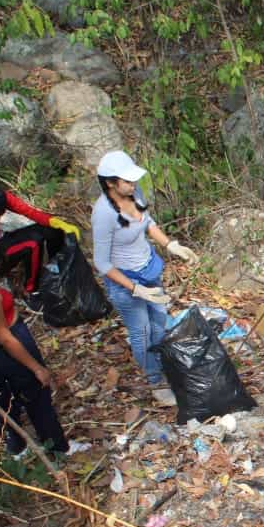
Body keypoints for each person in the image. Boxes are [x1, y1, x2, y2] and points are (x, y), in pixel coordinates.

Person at [0, 238, 88, 459]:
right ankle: (58, 447)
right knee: (37, 395)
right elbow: (5, 338)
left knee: (0, 394)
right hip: (6, 341)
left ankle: (16, 445)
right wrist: (37, 368)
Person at [90, 150, 200, 406]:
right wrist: (135, 289)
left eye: (132, 181)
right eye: (126, 181)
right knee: (141, 331)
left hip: (148, 268)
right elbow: (102, 263)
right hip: (124, 281)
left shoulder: (134, 194)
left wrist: (171, 244)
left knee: (160, 322)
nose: (132, 185)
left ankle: (165, 366)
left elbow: (148, 222)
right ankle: (155, 381)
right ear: (110, 183)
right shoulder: (104, 214)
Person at [0, 182, 82, 306]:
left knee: (50, 230)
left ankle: (56, 265)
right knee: (33, 244)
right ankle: (32, 291)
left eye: (0, 215)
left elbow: (28, 211)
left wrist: (55, 222)